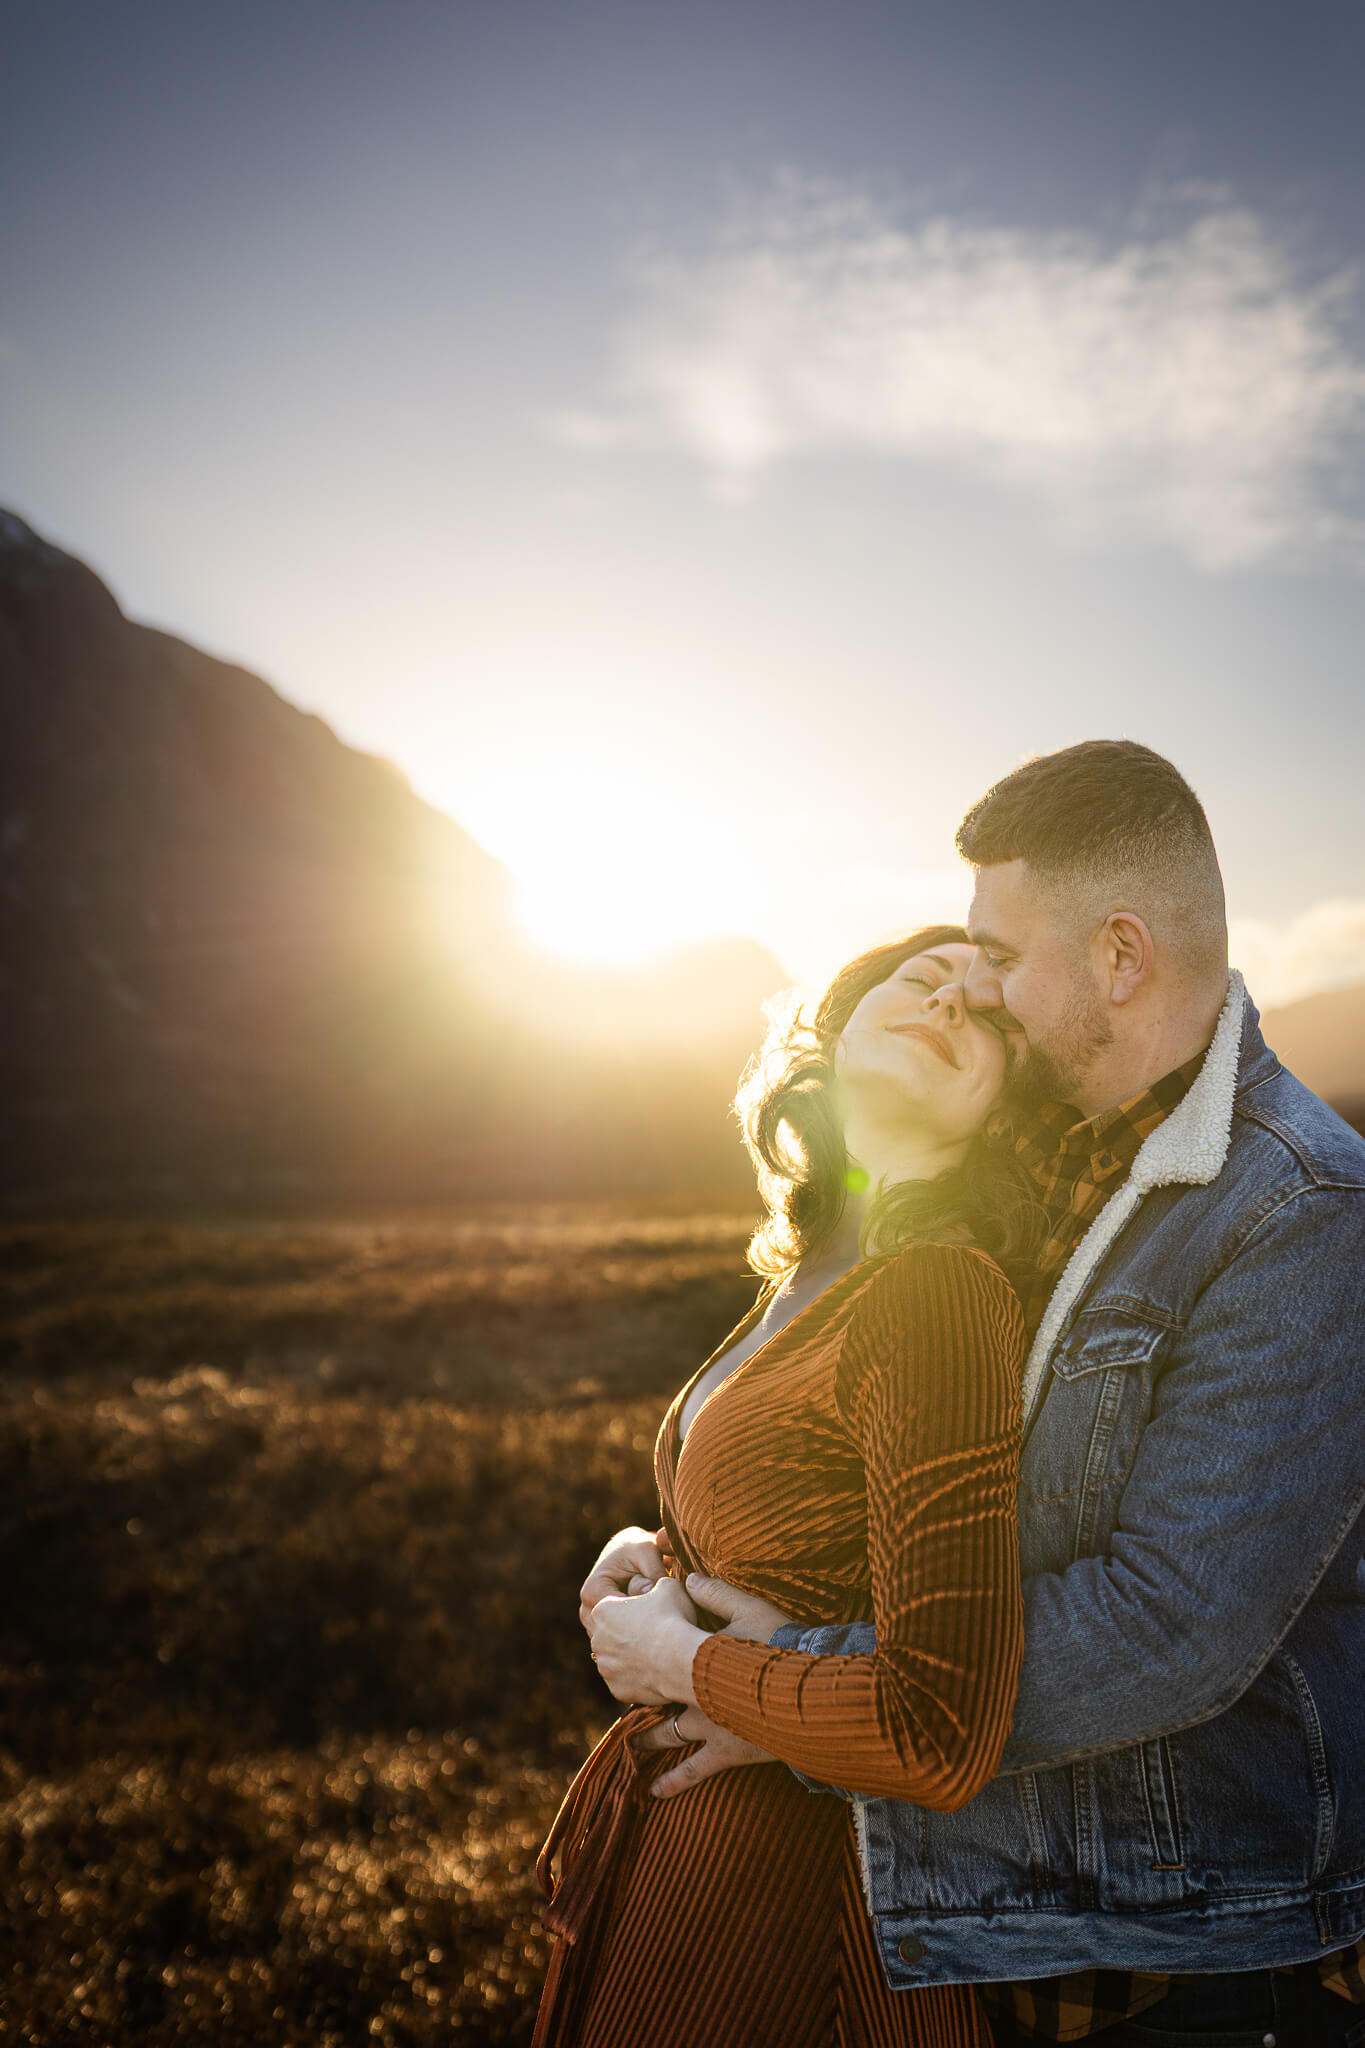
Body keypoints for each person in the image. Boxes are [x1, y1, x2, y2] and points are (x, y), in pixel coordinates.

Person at [662, 741, 1365, 2046]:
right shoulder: (1046, 1149)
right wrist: (664, 1557)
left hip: (1188, 1960)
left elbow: (1167, 1625)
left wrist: (775, 1688)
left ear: (1120, 955)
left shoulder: (1302, 1210)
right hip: (1004, 1914)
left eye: (995, 951)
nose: (970, 984)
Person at [533, 925, 1040, 2047]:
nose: (950, 1004)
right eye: (926, 978)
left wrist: (682, 1664)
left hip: (802, 1908)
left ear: (1007, 1105)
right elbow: (791, 1527)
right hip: (686, 1868)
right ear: (840, 1023)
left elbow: (939, 1728)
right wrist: (649, 1550)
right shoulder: (810, 1271)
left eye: (989, 1018)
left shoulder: (938, 1293)